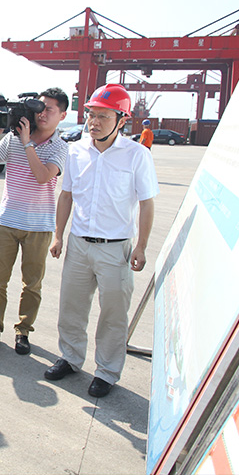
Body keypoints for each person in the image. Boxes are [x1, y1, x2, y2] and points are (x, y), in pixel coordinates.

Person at [46, 84, 159, 398]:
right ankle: (70, 357)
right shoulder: (76, 151)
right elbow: (66, 195)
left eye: (103, 116)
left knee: (113, 314)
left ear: (121, 120)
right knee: (71, 306)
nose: (94, 122)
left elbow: (147, 203)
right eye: (91, 115)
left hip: (115, 249)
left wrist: (141, 246)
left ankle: (106, 372)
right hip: (79, 244)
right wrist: (58, 235)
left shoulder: (137, 155)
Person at [0, 88, 69, 355]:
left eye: (50, 109)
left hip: (38, 227)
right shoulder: (13, 138)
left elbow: (43, 176)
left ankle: (23, 331)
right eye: (40, 107)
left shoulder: (60, 147)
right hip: (6, 221)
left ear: (62, 115)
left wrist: (27, 142)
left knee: (32, 285)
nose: (43, 114)